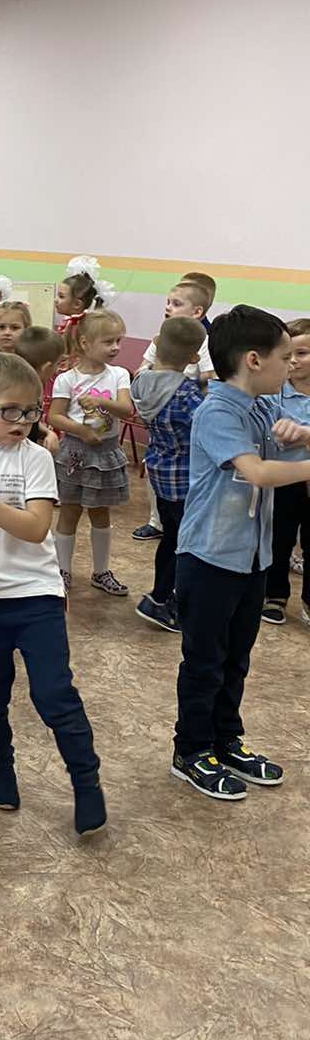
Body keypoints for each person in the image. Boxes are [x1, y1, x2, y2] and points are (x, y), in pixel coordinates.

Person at [0, 352, 106, 835]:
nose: (22, 421)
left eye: (31, 411)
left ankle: (86, 782)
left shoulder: (36, 458)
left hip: (36, 598)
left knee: (54, 695)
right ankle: (0, 768)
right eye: (10, 410)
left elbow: (35, 528)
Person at [170, 306, 310, 800]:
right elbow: (258, 472)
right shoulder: (217, 411)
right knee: (204, 661)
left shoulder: (264, 408)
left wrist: (301, 435)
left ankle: (226, 740)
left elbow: (287, 448)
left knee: (236, 658)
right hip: (209, 558)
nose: (290, 366)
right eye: (285, 358)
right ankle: (191, 750)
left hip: (252, 558)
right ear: (254, 359)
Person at [48, 309, 134, 596]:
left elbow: (126, 409)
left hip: (106, 453)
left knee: (100, 512)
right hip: (74, 452)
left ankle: (101, 571)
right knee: (69, 511)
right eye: (108, 342)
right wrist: (80, 430)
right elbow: (54, 416)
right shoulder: (66, 379)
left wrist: (100, 403)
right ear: (85, 343)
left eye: (118, 341)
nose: (116, 347)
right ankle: (62, 570)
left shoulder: (119, 375)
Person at [131, 316, 207, 635]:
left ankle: (160, 593)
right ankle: (164, 601)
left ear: (156, 343)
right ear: (194, 357)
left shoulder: (140, 382)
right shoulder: (187, 394)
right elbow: (205, 428)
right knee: (183, 544)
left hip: (159, 473)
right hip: (185, 480)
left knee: (170, 538)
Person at [262, 316, 310, 626]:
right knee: (279, 539)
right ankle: (275, 595)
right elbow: (270, 435)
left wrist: (301, 435)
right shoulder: (274, 392)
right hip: (285, 478)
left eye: (302, 353)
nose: (294, 361)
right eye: (288, 354)